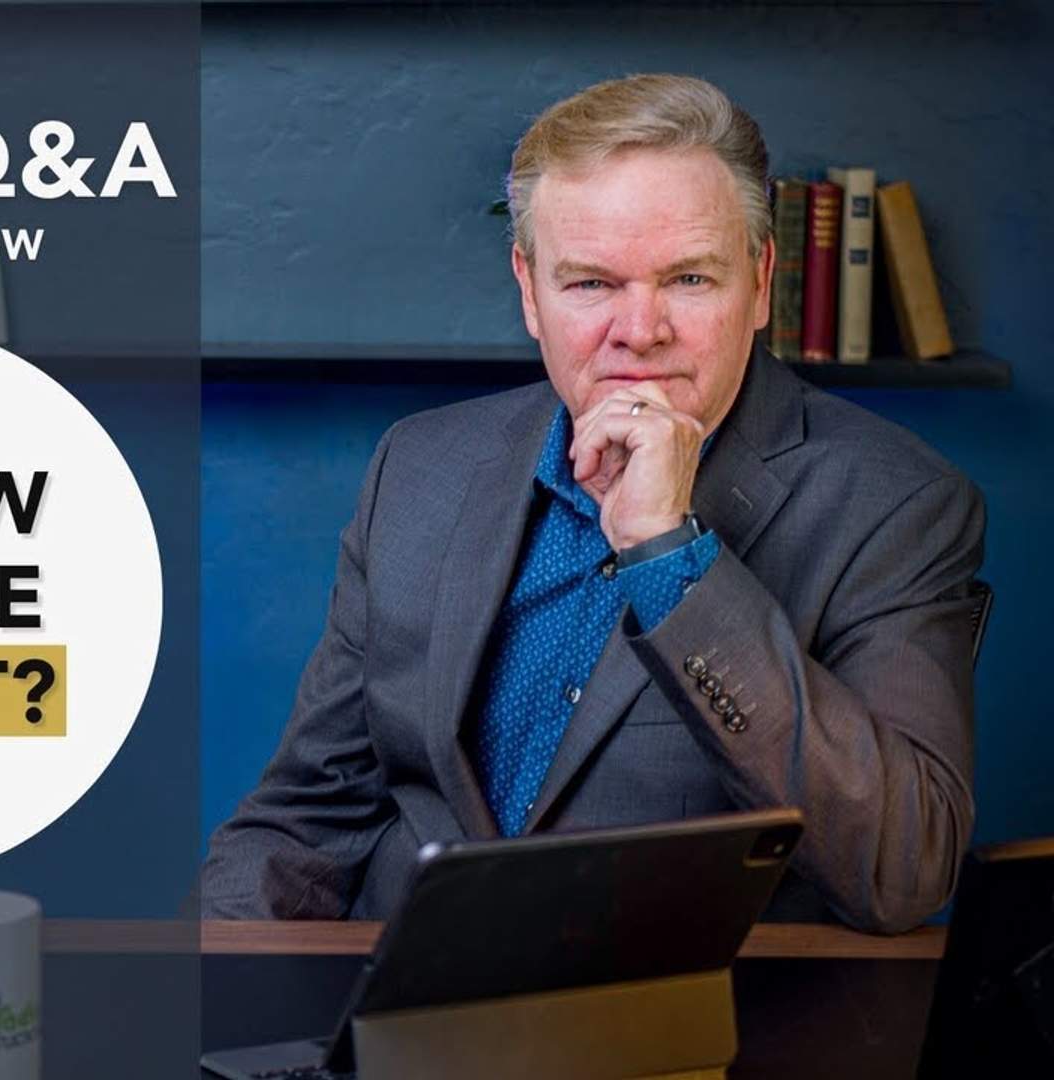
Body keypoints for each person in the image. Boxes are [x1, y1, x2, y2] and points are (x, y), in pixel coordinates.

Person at [198, 74, 986, 934]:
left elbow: (903, 866)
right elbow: (308, 817)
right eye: (590, 285)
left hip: (683, 1038)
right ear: (529, 290)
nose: (639, 329)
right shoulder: (419, 467)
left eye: (688, 278)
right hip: (400, 1026)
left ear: (760, 283)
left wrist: (671, 557)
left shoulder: (898, 505)